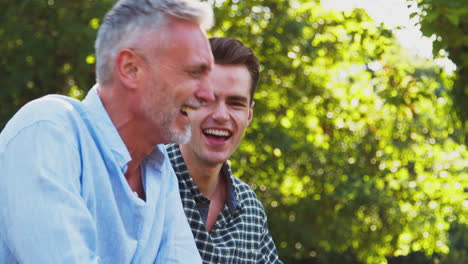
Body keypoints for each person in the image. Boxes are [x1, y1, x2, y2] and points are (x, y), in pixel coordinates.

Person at [0, 0, 215, 263]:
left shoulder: (160, 171)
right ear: (130, 69)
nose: (207, 95)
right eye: (194, 72)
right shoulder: (47, 130)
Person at [167, 37, 283, 264]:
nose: (221, 115)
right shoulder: (144, 182)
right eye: (207, 100)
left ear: (249, 114)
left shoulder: (250, 209)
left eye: (235, 103)